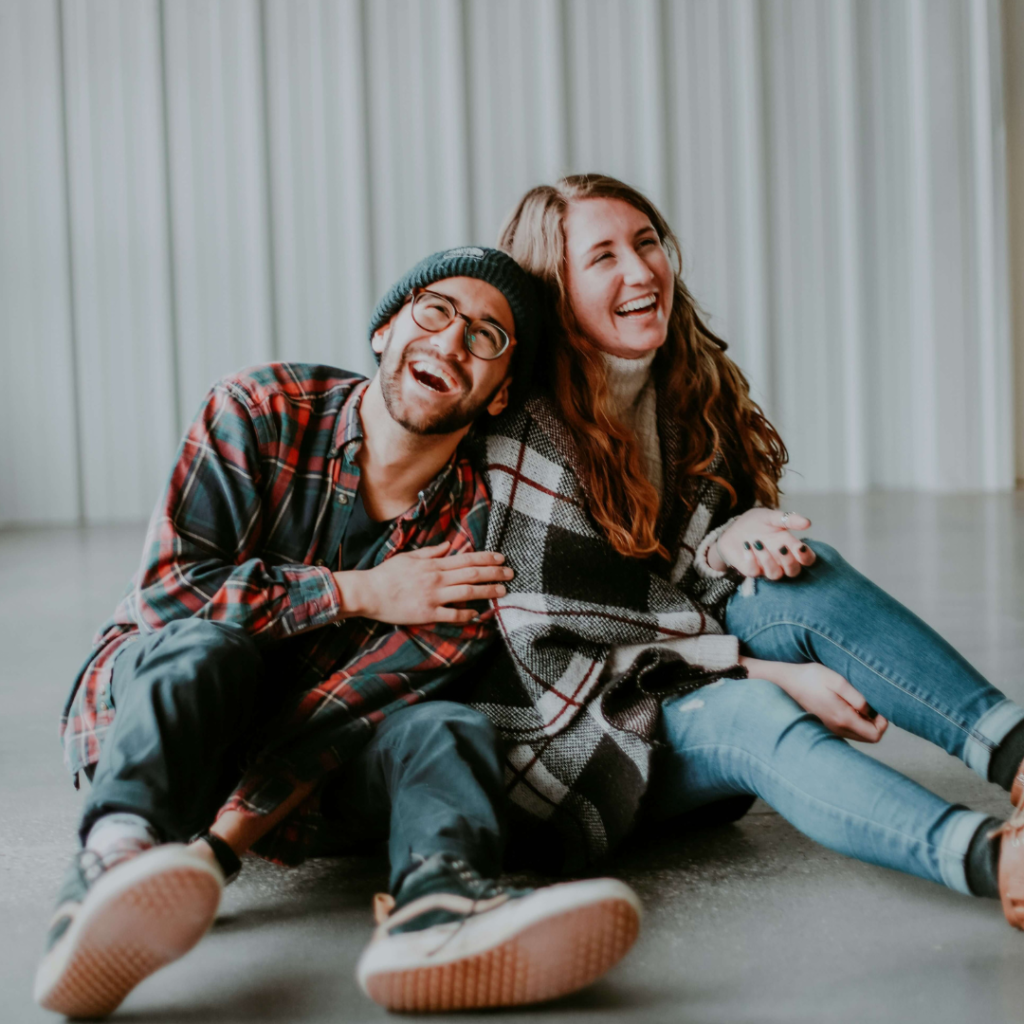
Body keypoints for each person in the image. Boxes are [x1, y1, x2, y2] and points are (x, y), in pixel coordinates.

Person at [35, 246, 640, 1020]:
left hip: (304, 783)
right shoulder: (260, 408)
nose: (453, 342)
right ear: (386, 330)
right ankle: (113, 859)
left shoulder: (476, 538)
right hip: (160, 727)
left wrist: (220, 849)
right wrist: (359, 593)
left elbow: (350, 711)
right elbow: (168, 601)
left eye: (487, 338)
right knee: (210, 645)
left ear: (497, 397)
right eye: (435, 312)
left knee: (445, 726)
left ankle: (439, 905)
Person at [470, 174, 1024, 930]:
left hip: (663, 696)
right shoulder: (529, 433)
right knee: (751, 708)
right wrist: (765, 672)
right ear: (555, 287)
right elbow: (563, 654)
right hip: (571, 751)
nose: (641, 271)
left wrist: (732, 538)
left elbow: (661, 583)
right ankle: (996, 859)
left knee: (799, 576)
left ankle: (1015, 752)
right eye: (602, 257)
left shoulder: (681, 386)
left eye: (646, 242)